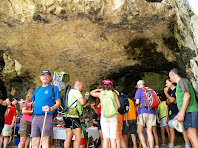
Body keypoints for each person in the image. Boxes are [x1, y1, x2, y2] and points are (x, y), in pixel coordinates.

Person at [31, 70, 61, 148]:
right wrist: (24, 104)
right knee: (34, 141)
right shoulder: (37, 89)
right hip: (36, 117)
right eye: (43, 75)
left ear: (50, 78)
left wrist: (51, 108)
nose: (45, 77)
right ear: (40, 77)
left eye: (47, 75)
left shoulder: (53, 88)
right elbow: (33, 103)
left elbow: (58, 103)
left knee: (44, 140)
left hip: (46, 116)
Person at [169, 68, 198, 148]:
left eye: (170, 77)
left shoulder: (182, 81)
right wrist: (179, 113)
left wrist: (181, 113)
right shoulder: (179, 84)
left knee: (193, 136)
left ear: (173, 75)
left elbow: (187, 95)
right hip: (187, 112)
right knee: (189, 135)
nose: (170, 79)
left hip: (190, 111)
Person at [90, 80, 120, 148]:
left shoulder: (100, 93)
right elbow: (119, 105)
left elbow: (91, 93)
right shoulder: (114, 93)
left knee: (106, 138)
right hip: (113, 117)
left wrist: (99, 89)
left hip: (104, 117)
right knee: (113, 138)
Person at [164, 79, 190, 148]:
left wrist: (166, 94)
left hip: (178, 112)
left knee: (182, 129)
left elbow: (173, 100)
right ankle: (171, 145)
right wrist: (170, 99)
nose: (166, 85)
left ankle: (187, 145)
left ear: (171, 82)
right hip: (172, 113)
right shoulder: (170, 92)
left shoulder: (177, 90)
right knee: (171, 129)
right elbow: (166, 102)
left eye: (167, 83)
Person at [63, 81, 88, 148]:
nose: (82, 89)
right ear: (79, 86)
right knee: (78, 135)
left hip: (66, 115)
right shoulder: (76, 91)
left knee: (69, 135)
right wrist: (86, 97)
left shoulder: (68, 92)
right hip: (73, 116)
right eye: (82, 87)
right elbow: (82, 102)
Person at [135, 80, 156, 148]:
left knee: (139, 131)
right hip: (152, 112)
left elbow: (137, 102)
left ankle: (144, 146)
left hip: (143, 112)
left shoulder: (139, 90)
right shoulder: (151, 90)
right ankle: (151, 146)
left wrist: (135, 105)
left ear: (139, 85)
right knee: (149, 131)